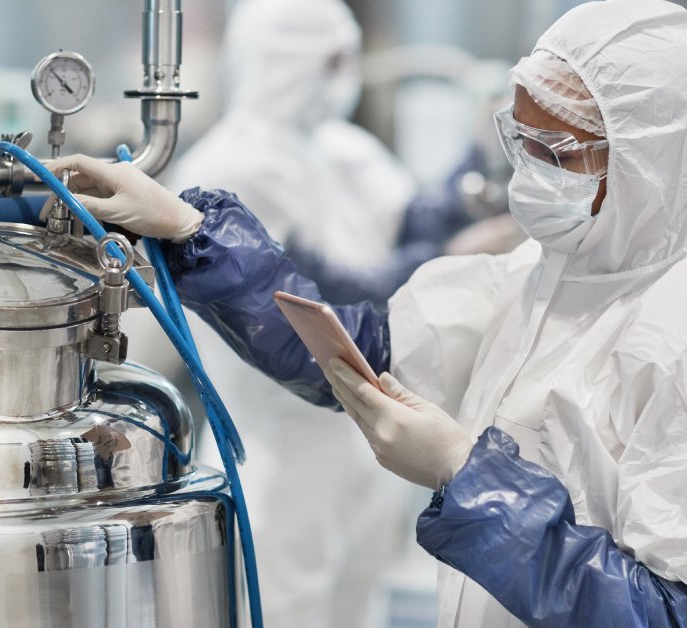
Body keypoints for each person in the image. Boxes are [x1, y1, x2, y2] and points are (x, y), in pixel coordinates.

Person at [48, 1, 687, 626]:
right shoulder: (539, 276)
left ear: (655, 165)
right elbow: (358, 351)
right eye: (518, 139)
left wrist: (467, 477)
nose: (528, 171)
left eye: (555, 151)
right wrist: (192, 231)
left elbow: (662, 612)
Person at [164, 1, 476, 625]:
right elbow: (313, 294)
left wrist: (479, 174)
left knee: (356, 599)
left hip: (362, 434)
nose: (345, 75)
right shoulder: (231, 165)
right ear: (286, 61)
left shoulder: (338, 147)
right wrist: (452, 254)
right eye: (331, 61)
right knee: (283, 605)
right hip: (282, 441)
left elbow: (407, 218)